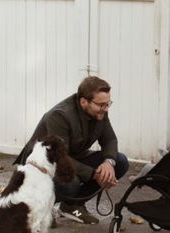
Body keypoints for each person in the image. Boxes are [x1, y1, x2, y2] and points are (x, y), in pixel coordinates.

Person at [14, 76, 129, 224]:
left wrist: (108, 163)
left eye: (108, 104)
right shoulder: (60, 115)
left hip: (72, 158)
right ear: (83, 102)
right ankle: (37, 207)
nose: (106, 109)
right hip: (42, 165)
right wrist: (94, 174)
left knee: (120, 161)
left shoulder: (100, 111)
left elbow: (109, 139)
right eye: (101, 105)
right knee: (70, 182)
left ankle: (71, 206)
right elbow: (60, 158)